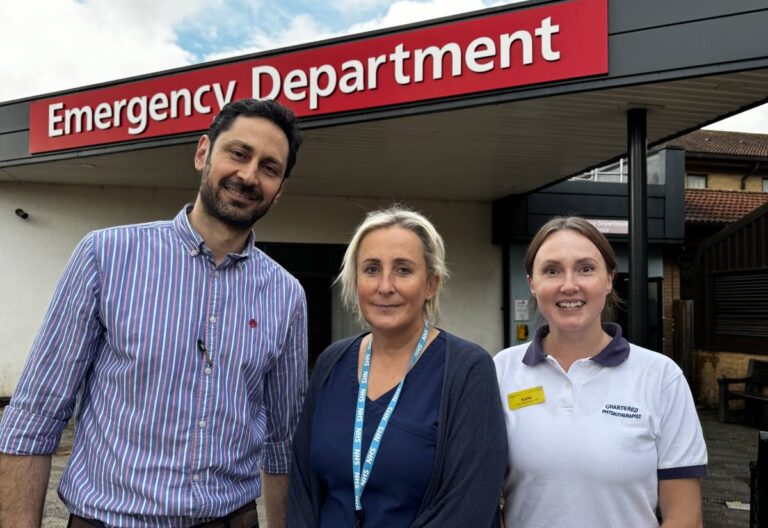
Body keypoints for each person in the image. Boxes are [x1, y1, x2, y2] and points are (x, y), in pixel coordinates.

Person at [0, 98, 307, 528]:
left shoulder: (287, 296)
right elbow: (34, 416)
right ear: (203, 152)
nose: (249, 175)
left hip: (230, 519)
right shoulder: (105, 257)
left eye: (269, 168)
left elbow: (281, 444)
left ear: (279, 190)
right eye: (238, 153)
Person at [287, 205, 507, 528]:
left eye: (403, 270)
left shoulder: (468, 371)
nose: (385, 286)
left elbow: (468, 507)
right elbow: (303, 487)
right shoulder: (332, 363)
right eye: (372, 269)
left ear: (431, 284)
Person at [493, 216, 708, 528]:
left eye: (586, 268)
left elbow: (685, 516)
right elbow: (480, 494)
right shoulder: (501, 371)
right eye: (552, 270)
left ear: (609, 279)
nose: (569, 285)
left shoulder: (661, 377)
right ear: (532, 283)